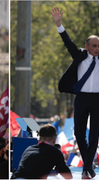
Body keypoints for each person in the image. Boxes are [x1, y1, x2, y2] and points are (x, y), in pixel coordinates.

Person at [51, 7, 99, 179]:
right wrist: (59, 24)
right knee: (79, 134)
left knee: (94, 135)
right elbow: (67, 42)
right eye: (93, 45)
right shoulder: (80, 55)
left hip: (97, 100)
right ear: (87, 46)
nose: (97, 48)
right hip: (81, 98)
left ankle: (87, 169)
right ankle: (89, 165)